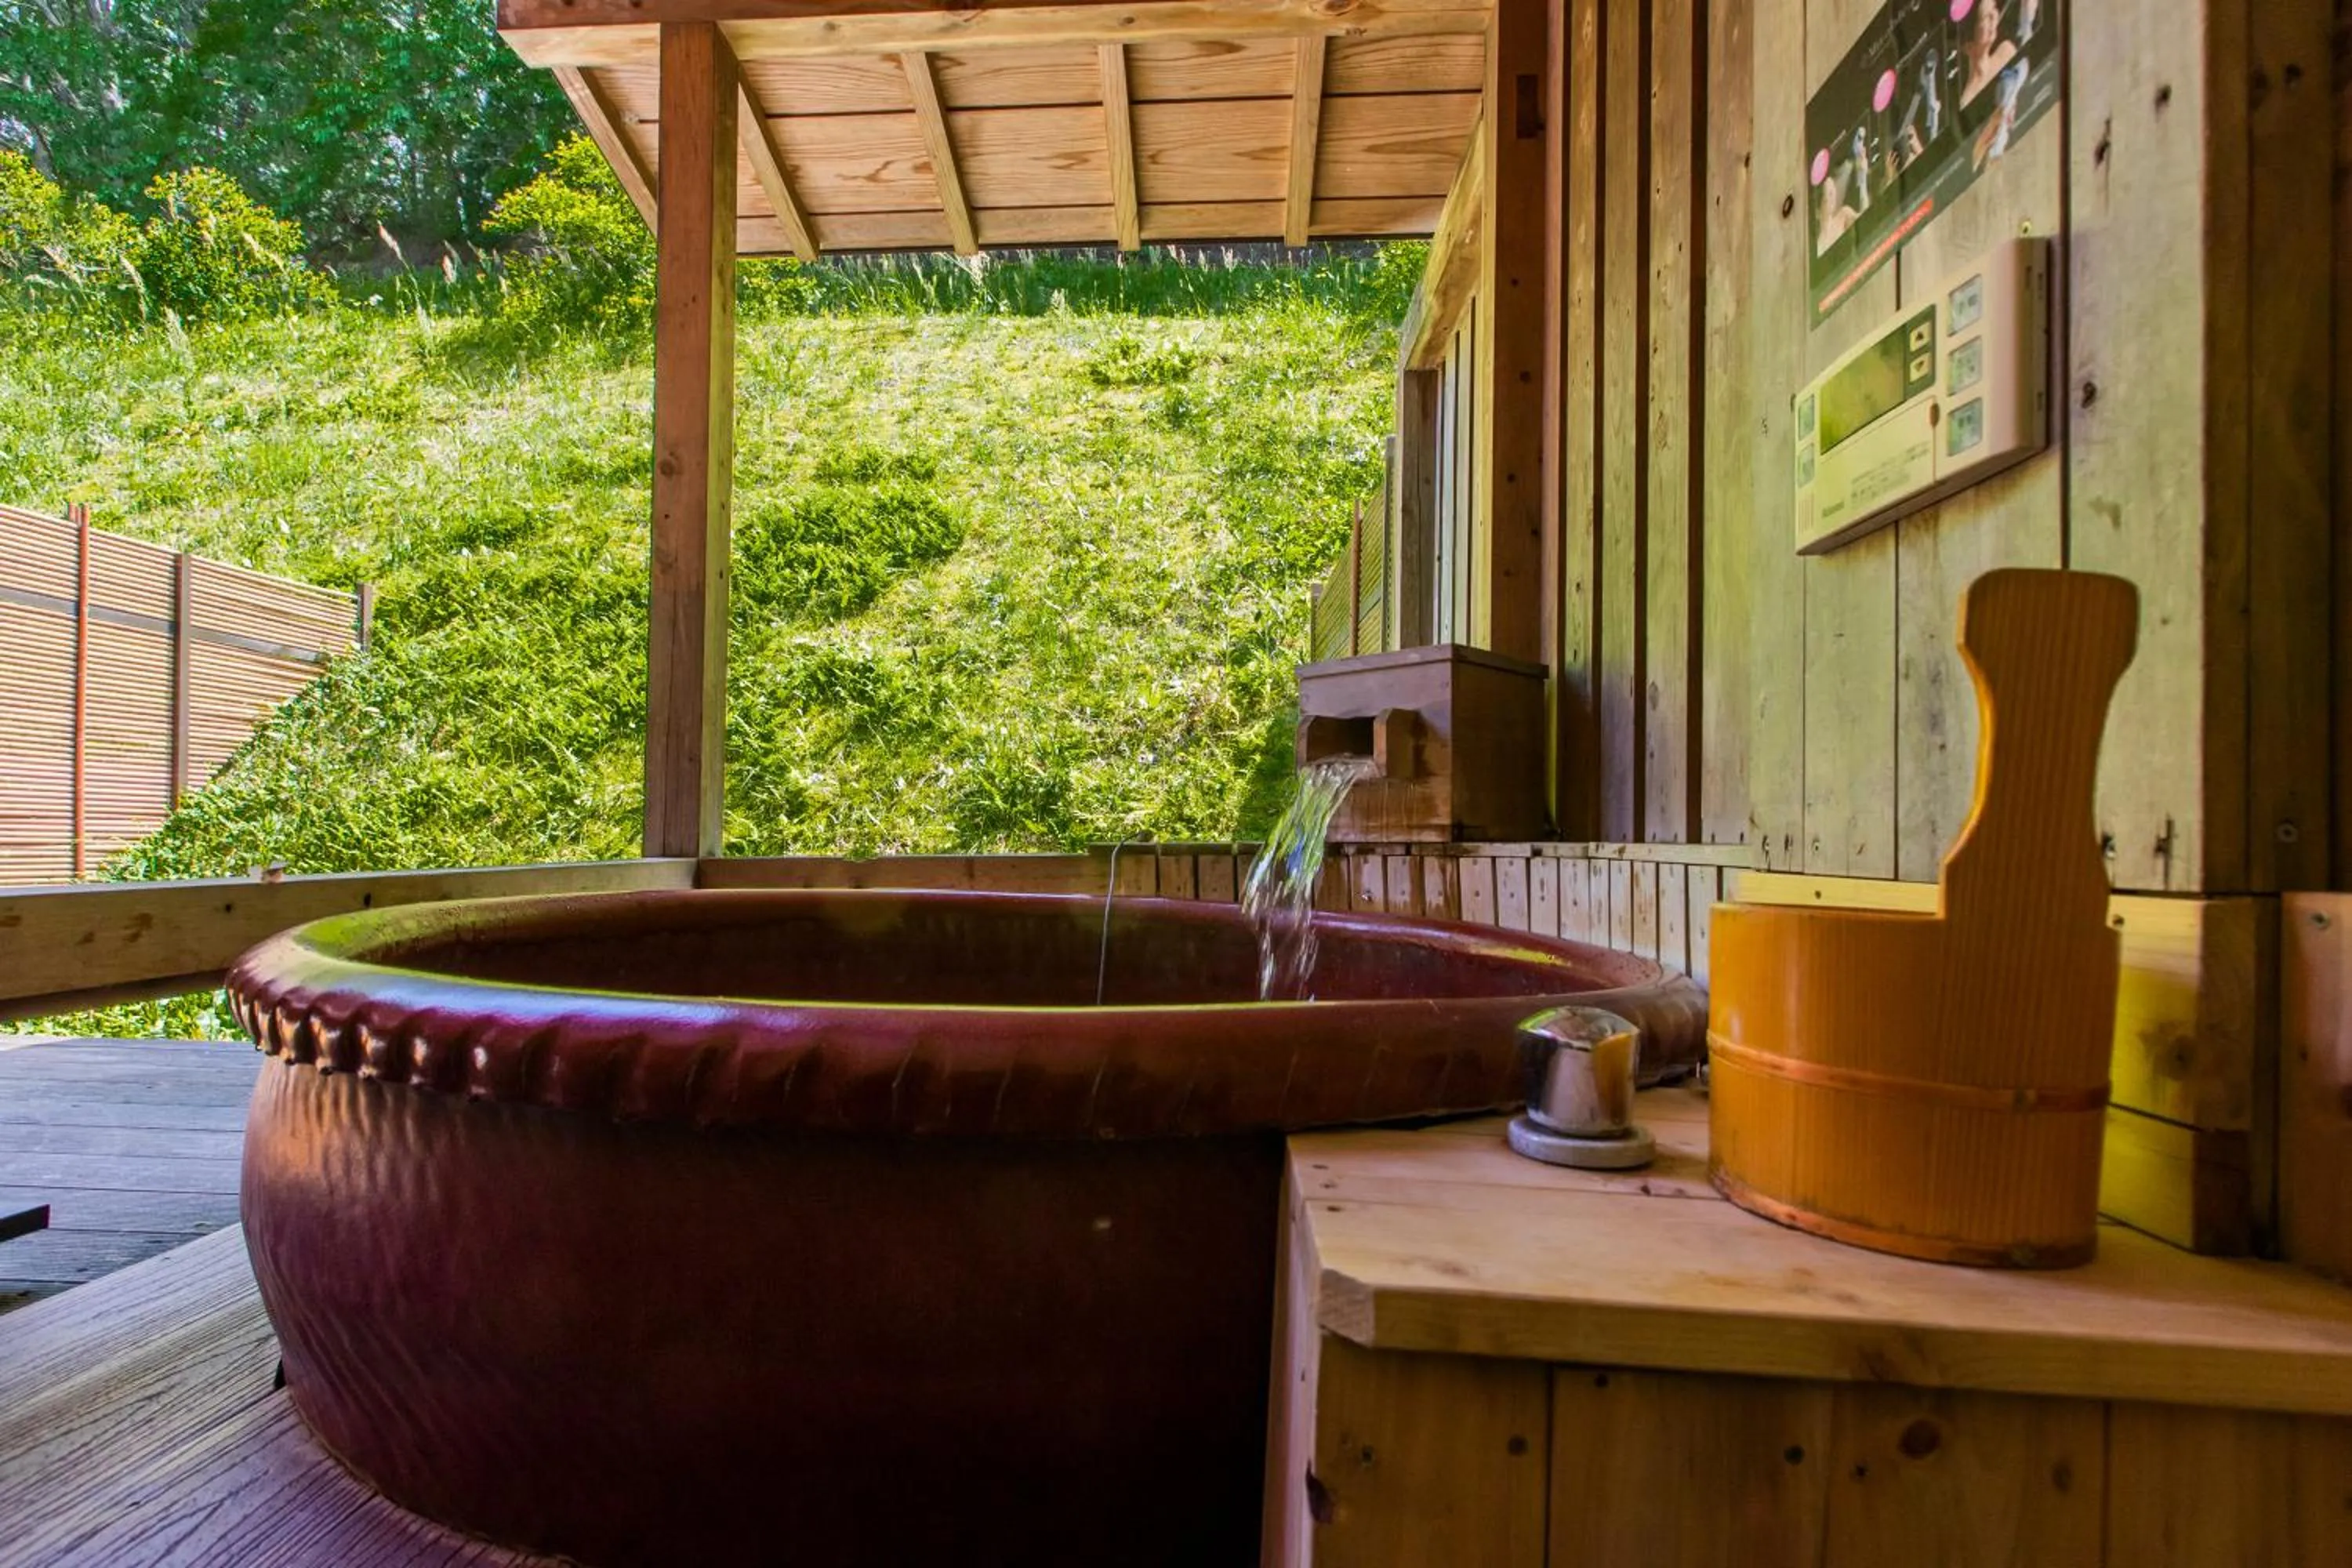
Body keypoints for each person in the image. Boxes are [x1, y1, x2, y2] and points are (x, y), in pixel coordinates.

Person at [1959, 0, 2020, 108]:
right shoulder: (1968, 99)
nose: (1993, 17)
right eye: (1985, 17)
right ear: (1969, 46)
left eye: (1994, 8)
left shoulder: (2007, 52)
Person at [1815, 166, 1860, 256]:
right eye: (1828, 195)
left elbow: (1867, 219)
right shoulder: (1819, 245)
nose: (1832, 199)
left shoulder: (1844, 215)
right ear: (1818, 210)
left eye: (1833, 192)